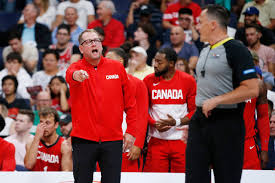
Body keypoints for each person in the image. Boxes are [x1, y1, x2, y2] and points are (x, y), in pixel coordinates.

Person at [186, 5, 259, 183]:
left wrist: (218, 100)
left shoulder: (236, 49)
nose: (197, 26)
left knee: (227, 178)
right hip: (200, 122)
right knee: (194, 178)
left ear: (212, 25)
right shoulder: (204, 49)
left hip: (227, 123)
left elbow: (252, 88)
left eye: (200, 22)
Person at [66, 29, 137, 183]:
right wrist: (77, 76)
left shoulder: (117, 68)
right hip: (83, 140)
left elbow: (131, 103)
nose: (93, 43)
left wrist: (131, 131)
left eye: (96, 40)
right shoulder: (76, 68)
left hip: (113, 140)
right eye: (88, 42)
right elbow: (70, 74)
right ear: (81, 48)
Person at [143, 47, 196, 172]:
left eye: (159, 62)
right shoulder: (148, 81)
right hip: (156, 140)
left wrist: (176, 122)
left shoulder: (188, 80)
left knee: (183, 179)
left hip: (181, 141)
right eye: (154, 61)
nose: (155, 65)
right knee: (154, 180)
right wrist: (153, 123)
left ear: (171, 63)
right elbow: (142, 111)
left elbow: (195, 112)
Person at [105, 48, 148, 172]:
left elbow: (142, 116)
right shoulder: (98, 84)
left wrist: (138, 144)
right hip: (103, 146)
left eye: (108, 59)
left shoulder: (138, 84)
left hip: (128, 147)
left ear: (120, 61)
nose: (104, 62)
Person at [243, 66, 270, 169]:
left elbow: (263, 117)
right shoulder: (218, 83)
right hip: (222, 144)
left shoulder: (258, 84)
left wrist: (264, 148)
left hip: (248, 144)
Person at [245, 24, 275, 89]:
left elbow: (271, 73)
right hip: (249, 76)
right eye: (247, 35)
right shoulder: (243, 51)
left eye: (252, 34)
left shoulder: (269, 50)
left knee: (269, 79)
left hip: (265, 78)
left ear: (259, 35)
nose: (249, 37)